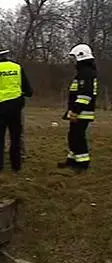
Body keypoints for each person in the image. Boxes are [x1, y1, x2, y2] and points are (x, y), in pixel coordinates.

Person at [0, 50, 33, 172]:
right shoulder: (17, 67)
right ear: (8, 56)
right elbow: (28, 89)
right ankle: (16, 164)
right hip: (16, 104)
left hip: (1, 105)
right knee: (15, 135)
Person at [58, 44, 98, 172]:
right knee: (73, 136)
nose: (73, 60)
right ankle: (72, 160)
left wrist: (75, 111)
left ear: (80, 56)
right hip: (79, 111)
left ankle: (82, 163)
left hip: (82, 112)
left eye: (74, 57)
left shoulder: (86, 73)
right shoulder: (84, 72)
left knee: (77, 137)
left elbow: (85, 96)